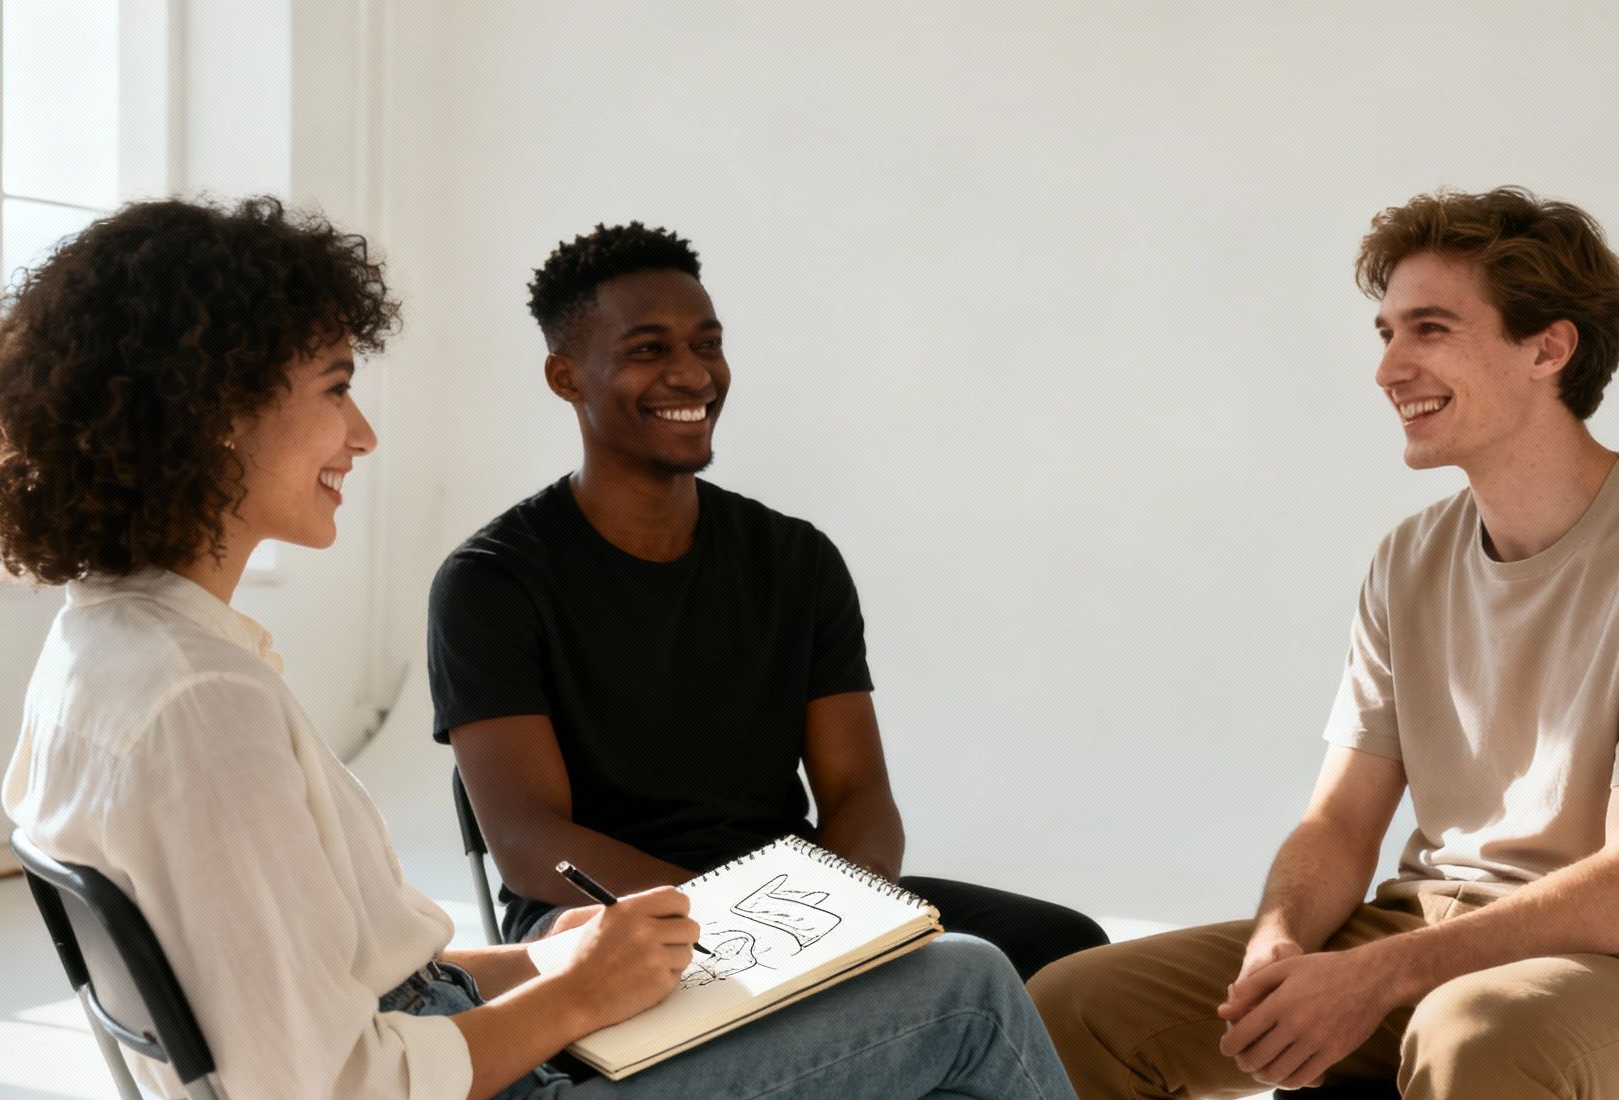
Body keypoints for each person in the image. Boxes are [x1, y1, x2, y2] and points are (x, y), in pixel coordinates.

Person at [0, 196, 1100, 1100]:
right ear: (214, 410)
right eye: (334, 386)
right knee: (965, 982)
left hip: (458, 1053)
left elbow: (343, 981)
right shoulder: (201, 707)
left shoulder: (113, 651)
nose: (360, 435)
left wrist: (552, 962)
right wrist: (582, 993)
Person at [1030, 187, 1619, 1100]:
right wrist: (1281, 942)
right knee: (1077, 1011)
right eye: (1386, 332)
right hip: (1422, 930)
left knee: (1474, 1036)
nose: (1390, 368)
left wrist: (1381, 977)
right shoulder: (1409, 558)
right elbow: (1341, 822)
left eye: (1429, 329)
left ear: (1547, 349)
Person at [425, 222, 1108, 978]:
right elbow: (529, 845)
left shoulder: (794, 559)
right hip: (614, 922)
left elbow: (858, 792)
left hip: (802, 904)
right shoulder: (492, 581)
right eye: (649, 349)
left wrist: (838, 916)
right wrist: (736, 933)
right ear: (566, 377)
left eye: (707, 344)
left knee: (1062, 951)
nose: (692, 374)